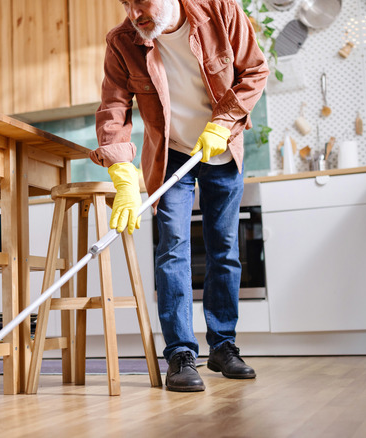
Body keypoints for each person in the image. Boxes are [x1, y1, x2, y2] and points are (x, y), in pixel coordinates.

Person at [89, 0, 269, 392]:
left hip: (221, 147)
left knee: (224, 248)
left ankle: (223, 346)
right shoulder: (123, 42)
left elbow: (254, 70)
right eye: (126, 2)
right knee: (172, 247)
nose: (135, 11)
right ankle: (180, 354)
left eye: (142, 0)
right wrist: (122, 175)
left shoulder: (221, 10)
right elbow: (113, 108)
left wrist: (222, 123)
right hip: (171, 155)